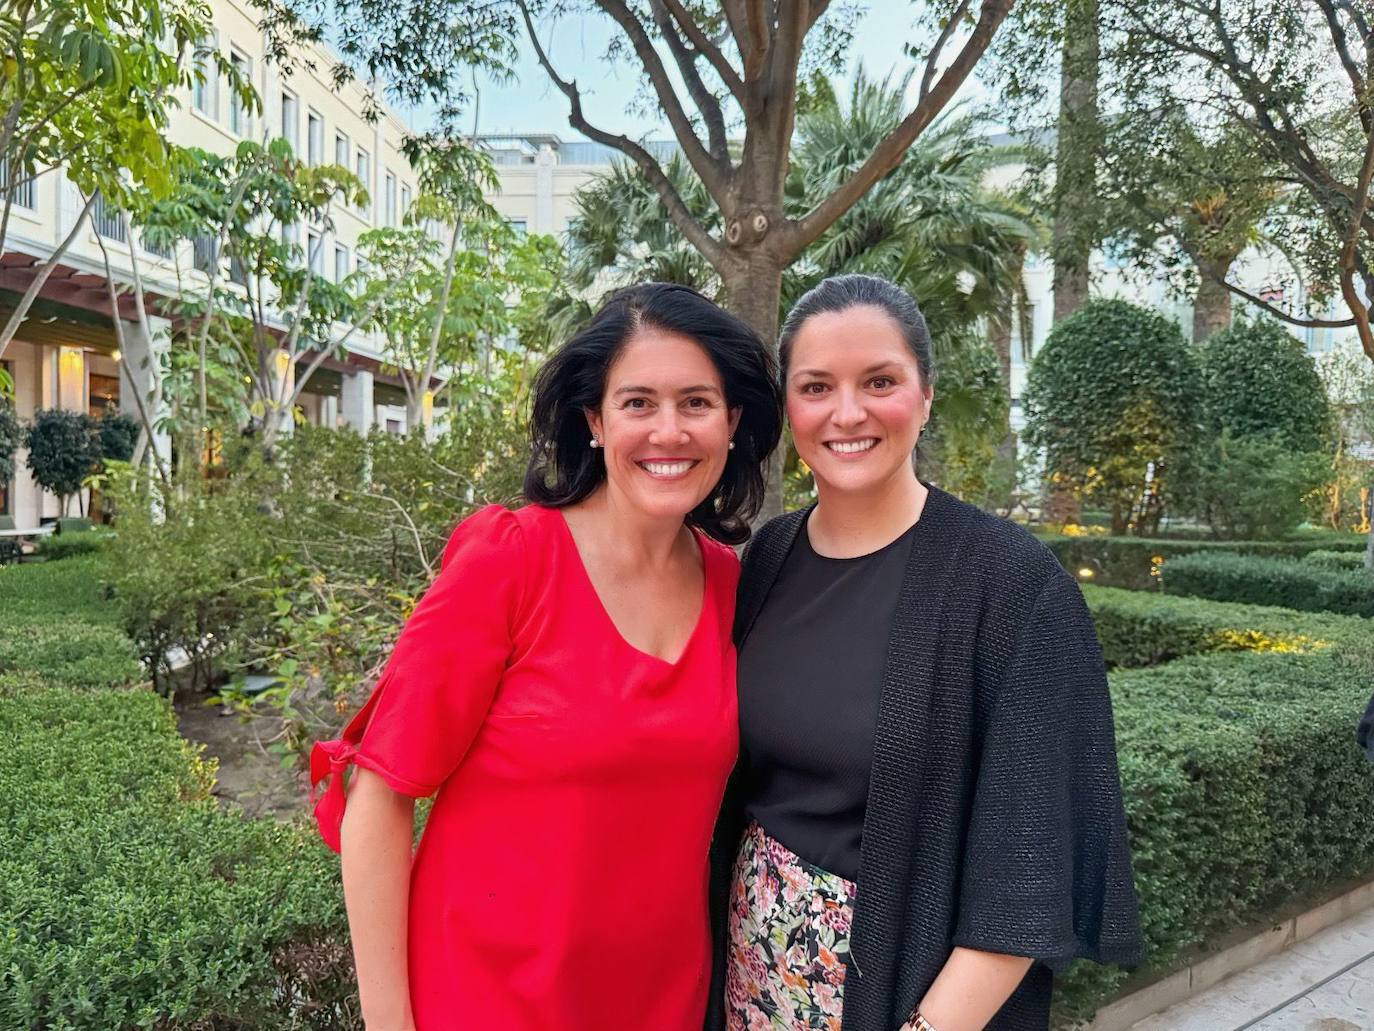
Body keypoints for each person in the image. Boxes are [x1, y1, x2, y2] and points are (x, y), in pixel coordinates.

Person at [310, 282, 781, 1031]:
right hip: (486, 999)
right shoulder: (514, 560)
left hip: (660, 1001)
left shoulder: (732, 582)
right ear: (593, 420)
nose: (669, 430)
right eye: (637, 403)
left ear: (732, 423)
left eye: (696, 402)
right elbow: (379, 795)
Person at [707, 274, 1142, 1031]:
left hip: (909, 996)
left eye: (880, 380)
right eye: (817, 386)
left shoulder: (1009, 583)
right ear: (789, 407)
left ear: (926, 393)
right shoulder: (768, 558)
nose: (848, 412)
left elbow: (1029, 863)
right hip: (750, 981)